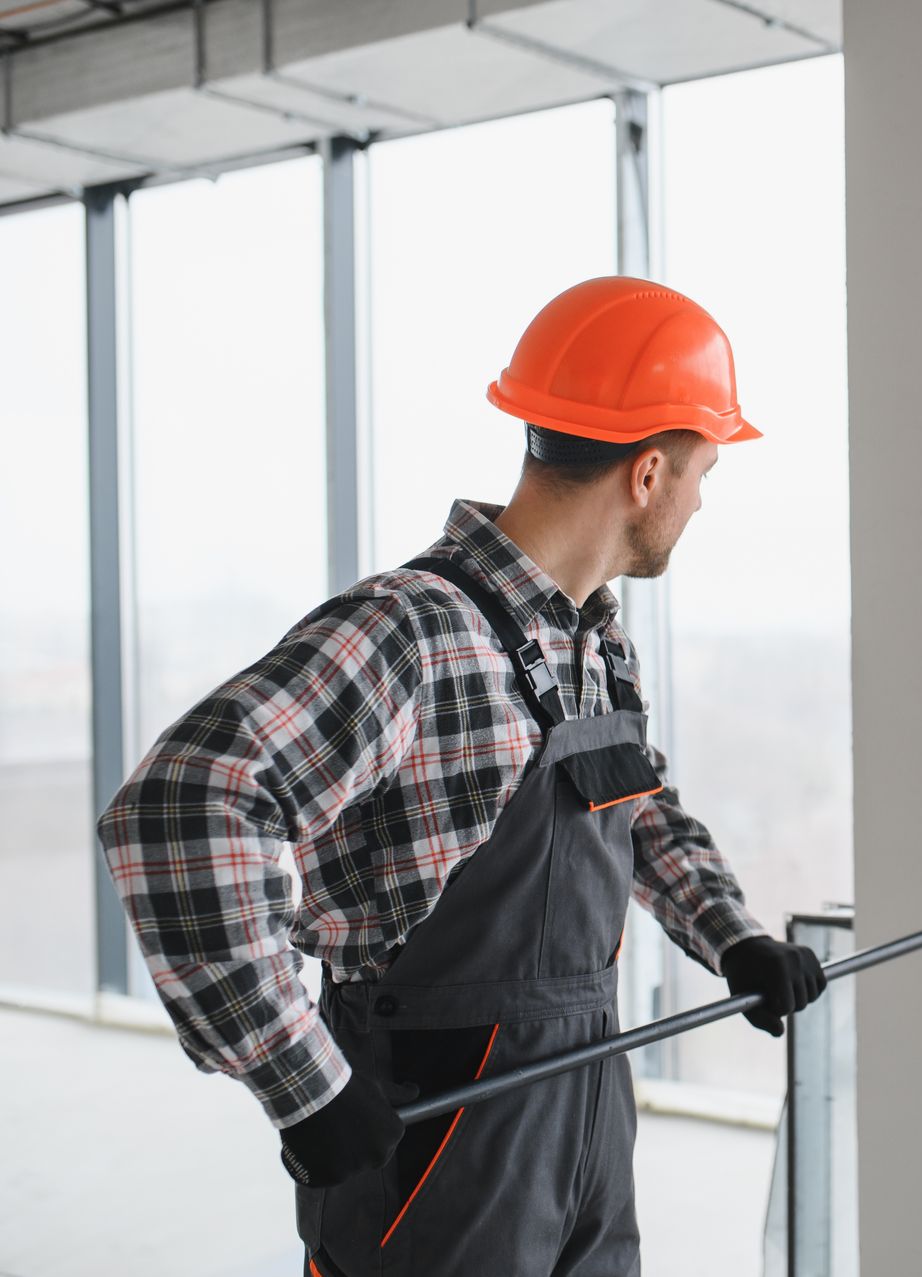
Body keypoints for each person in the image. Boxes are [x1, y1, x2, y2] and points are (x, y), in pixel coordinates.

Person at [96, 276, 825, 1276]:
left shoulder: (597, 639)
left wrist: (732, 933)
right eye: (705, 469)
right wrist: (300, 1075)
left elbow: (631, 804)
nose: (703, 498)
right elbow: (182, 809)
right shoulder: (416, 631)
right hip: (435, 1139)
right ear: (650, 473)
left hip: (583, 1107)